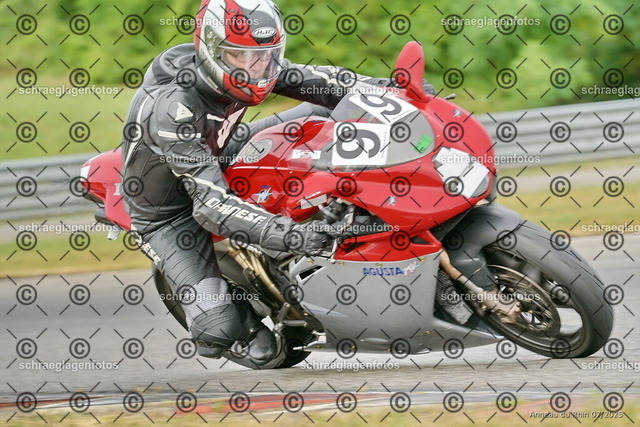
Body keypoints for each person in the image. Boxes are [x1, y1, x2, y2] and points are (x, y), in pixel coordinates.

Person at [120, 0, 435, 365]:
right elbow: (210, 206)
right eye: (240, 57)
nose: (255, 69)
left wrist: (394, 92)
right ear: (211, 51)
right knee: (216, 330)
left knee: (322, 111)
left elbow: (326, 82)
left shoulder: (252, 62)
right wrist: (292, 235)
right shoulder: (173, 109)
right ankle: (240, 316)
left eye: (265, 56)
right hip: (171, 211)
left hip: (222, 150)